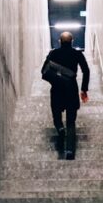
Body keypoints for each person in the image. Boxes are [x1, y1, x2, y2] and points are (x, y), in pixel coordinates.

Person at [41, 31, 90, 159]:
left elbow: (44, 70)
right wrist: (84, 89)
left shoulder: (53, 53)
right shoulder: (77, 54)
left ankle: (60, 129)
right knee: (71, 121)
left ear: (60, 41)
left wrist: (55, 77)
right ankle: (70, 151)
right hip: (71, 88)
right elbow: (86, 70)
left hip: (57, 88)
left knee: (56, 114)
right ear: (72, 41)